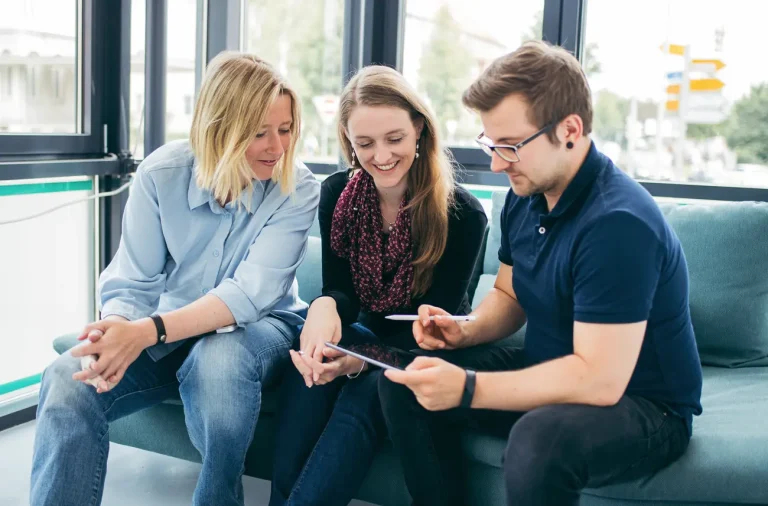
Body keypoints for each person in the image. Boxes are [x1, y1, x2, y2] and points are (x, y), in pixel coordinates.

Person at [379, 40, 704, 506]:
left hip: (642, 404)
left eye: (511, 146)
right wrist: (464, 330)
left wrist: (468, 388)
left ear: (569, 130)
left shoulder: (618, 223)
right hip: (550, 370)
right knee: (408, 380)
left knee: (539, 441)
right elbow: (510, 295)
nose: (497, 163)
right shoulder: (524, 194)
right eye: (491, 144)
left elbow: (599, 380)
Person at [30, 52, 320, 506]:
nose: (277, 147)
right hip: (166, 327)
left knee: (218, 362)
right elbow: (132, 281)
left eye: (285, 130)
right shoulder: (161, 174)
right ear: (219, 128)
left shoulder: (297, 188)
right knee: (67, 379)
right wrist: (117, 331)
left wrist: (145, 332)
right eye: (259, 132)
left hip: (260, 328)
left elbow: (248, 295)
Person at [268, 65, 488, 506]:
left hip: (428, 347)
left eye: (394, 138)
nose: (381, 156)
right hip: (367, 333)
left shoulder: (462, 215)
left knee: (369, 390)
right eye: (365, 143)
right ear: (349, 141)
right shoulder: (338, 195)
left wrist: (359, 362)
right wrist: (325, 306)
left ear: (419, 129)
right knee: (311, 361)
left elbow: (431, 329)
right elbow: (343, 295)